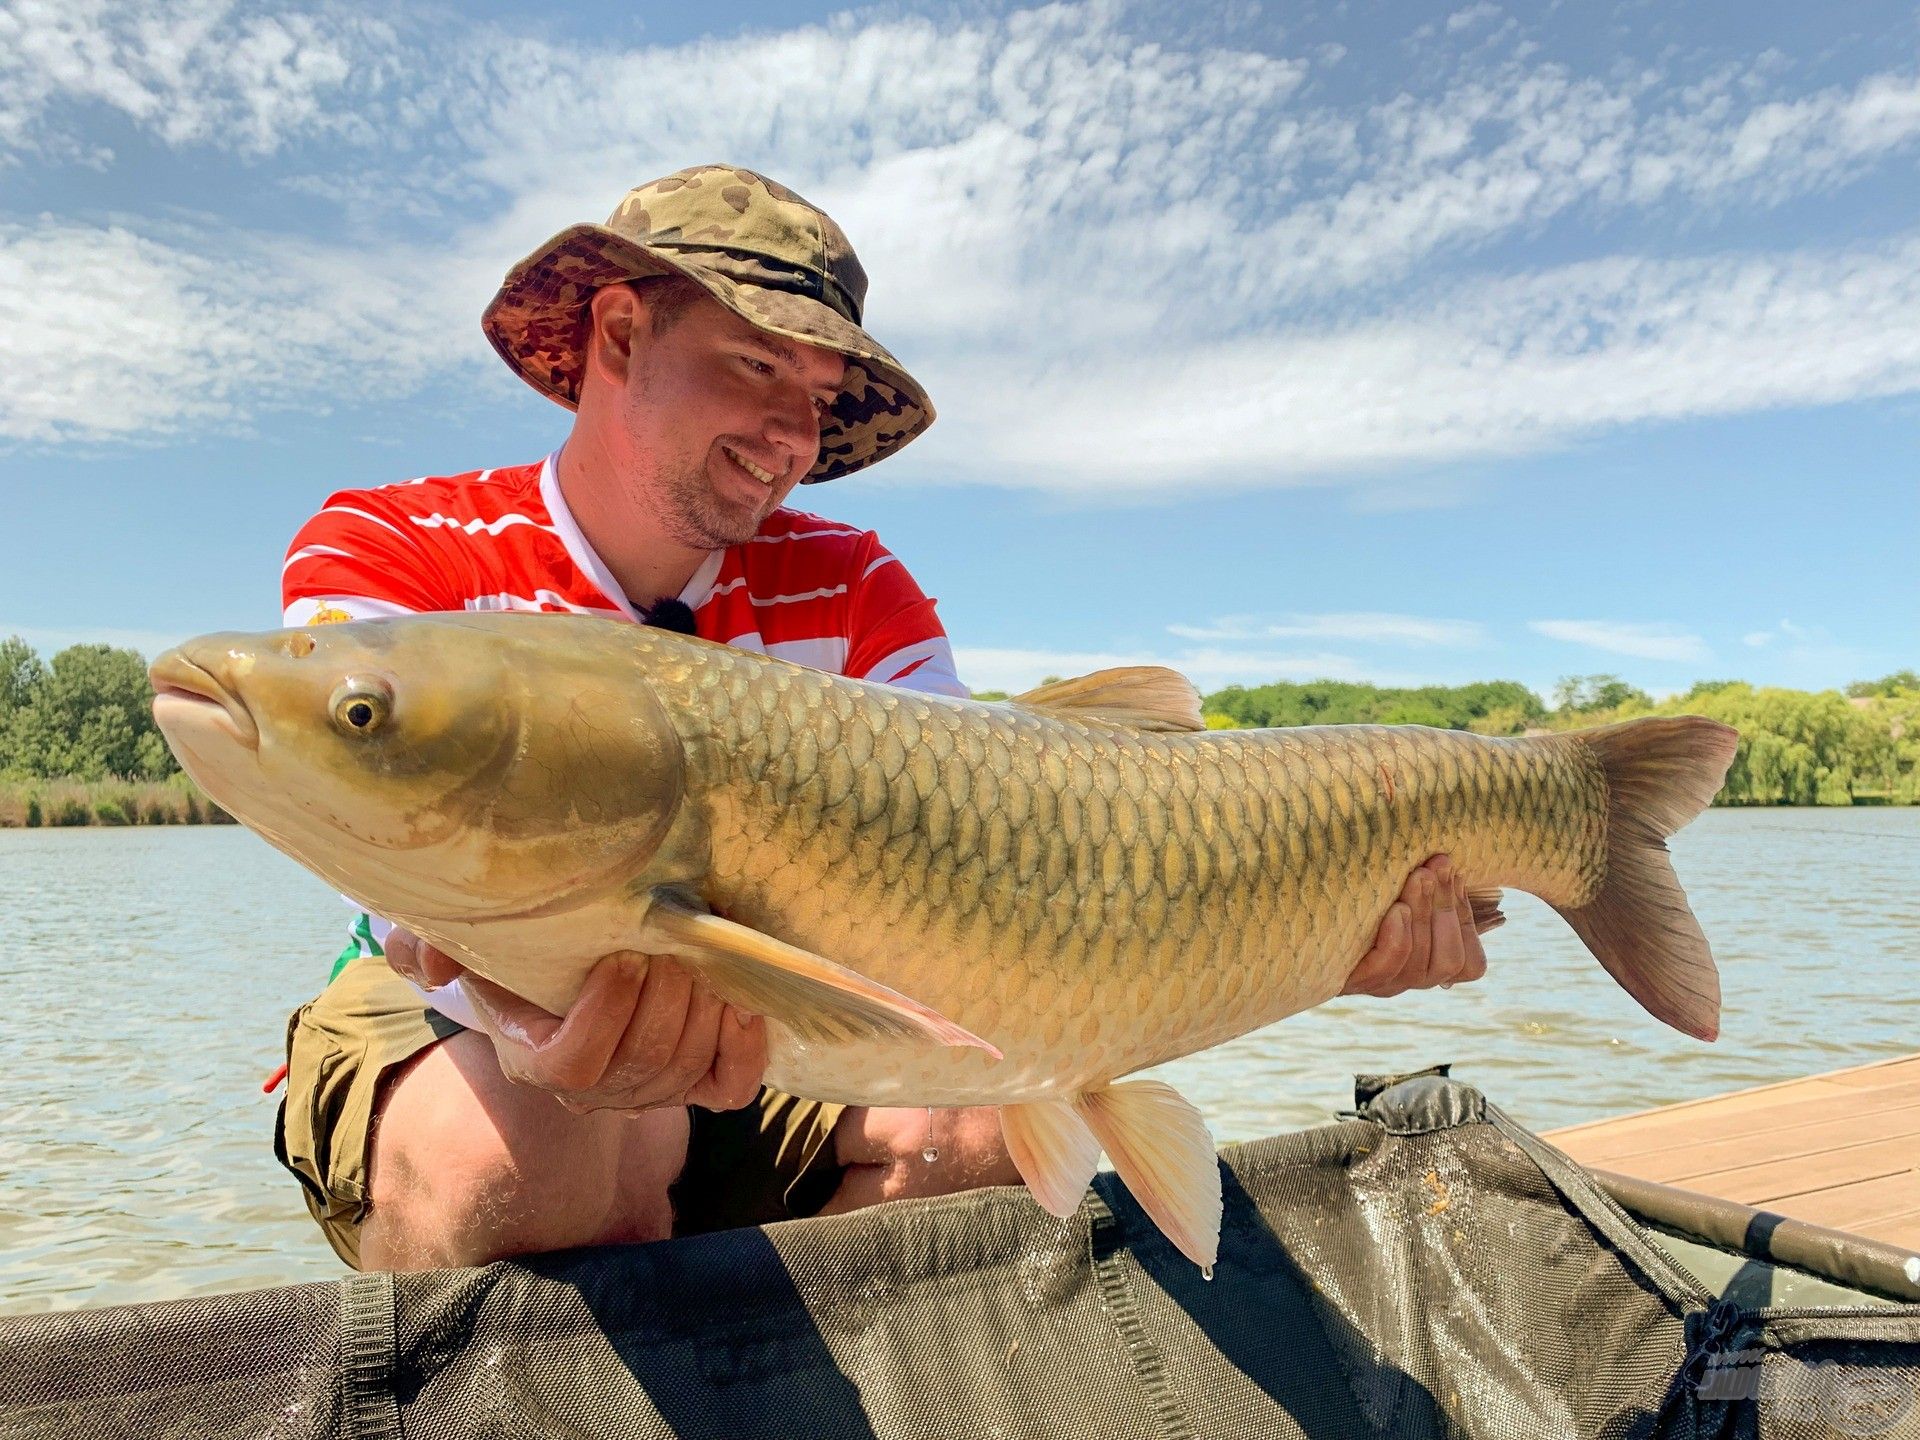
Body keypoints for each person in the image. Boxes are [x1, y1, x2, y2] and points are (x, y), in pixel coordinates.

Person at [273, 164, 1489, 1272]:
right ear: (621, 332)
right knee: (527, 1161)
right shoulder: (395, 553)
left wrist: (1321, 928)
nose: (793, 437)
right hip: (449, 1014)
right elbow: (412, 899)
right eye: (756, 366)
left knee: (981, 1123)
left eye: (818, 393)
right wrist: (559, 1038)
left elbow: (1000, 883)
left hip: (801, 1021)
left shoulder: (858, 583)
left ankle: (785, 1382)